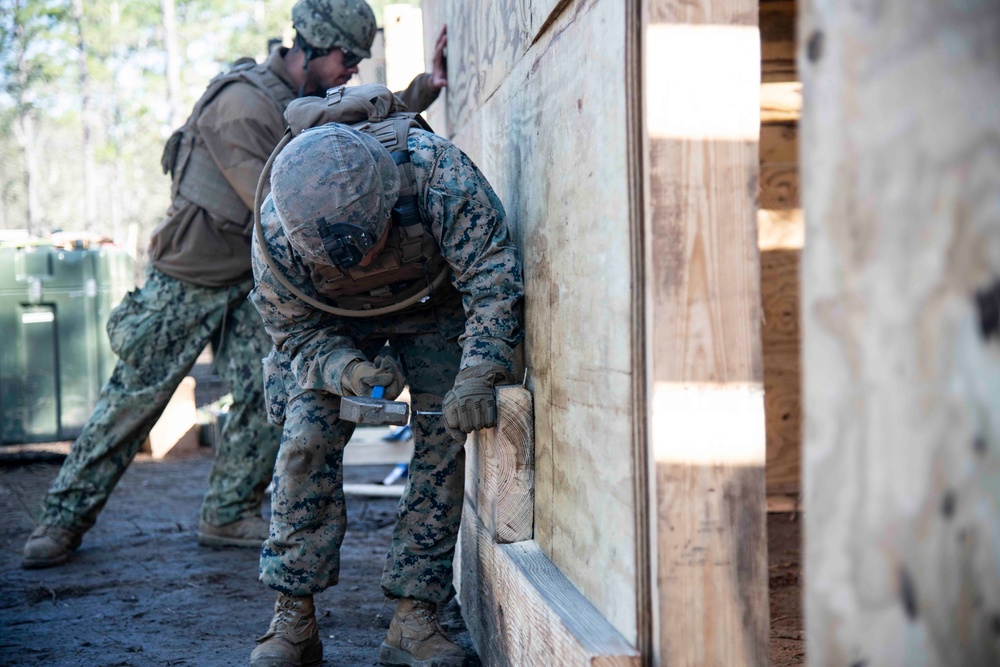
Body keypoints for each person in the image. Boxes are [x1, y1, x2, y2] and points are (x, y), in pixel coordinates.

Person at [21, 0, 448, 570]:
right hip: (190, 276)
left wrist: (420, 90)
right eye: (347, 57)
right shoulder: (242, 104)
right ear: (312, 48)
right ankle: (61, 520)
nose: (353, 69)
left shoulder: (301, 98)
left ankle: (227, 511)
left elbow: (359, 123)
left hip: (250, 278)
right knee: (135, 399)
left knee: (264, 392)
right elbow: (285, 203)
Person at [245, 110, 523, 665]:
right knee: (305, 439)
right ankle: (292, 618)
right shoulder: (277, 234)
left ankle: (414, 620)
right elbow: (295, 331)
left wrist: (479, 371)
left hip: (432, 303)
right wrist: (345, 369)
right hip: (333, 326)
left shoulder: (437, 174)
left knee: (446, 434)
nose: (364, 261)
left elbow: (492, 274)